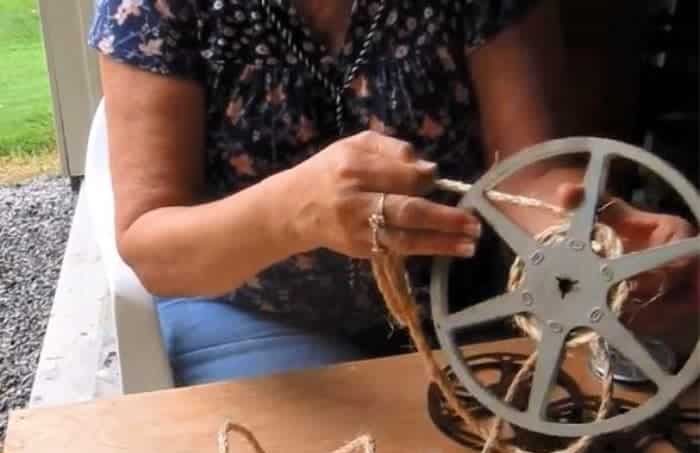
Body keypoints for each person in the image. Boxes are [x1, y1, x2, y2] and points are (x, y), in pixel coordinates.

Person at [88, 0, 698, 387]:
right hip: (250, 309)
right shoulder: (154, 9)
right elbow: (151, 245)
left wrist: (593, 242)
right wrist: (290, 214)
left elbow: (525, 172)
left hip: (456, 296)